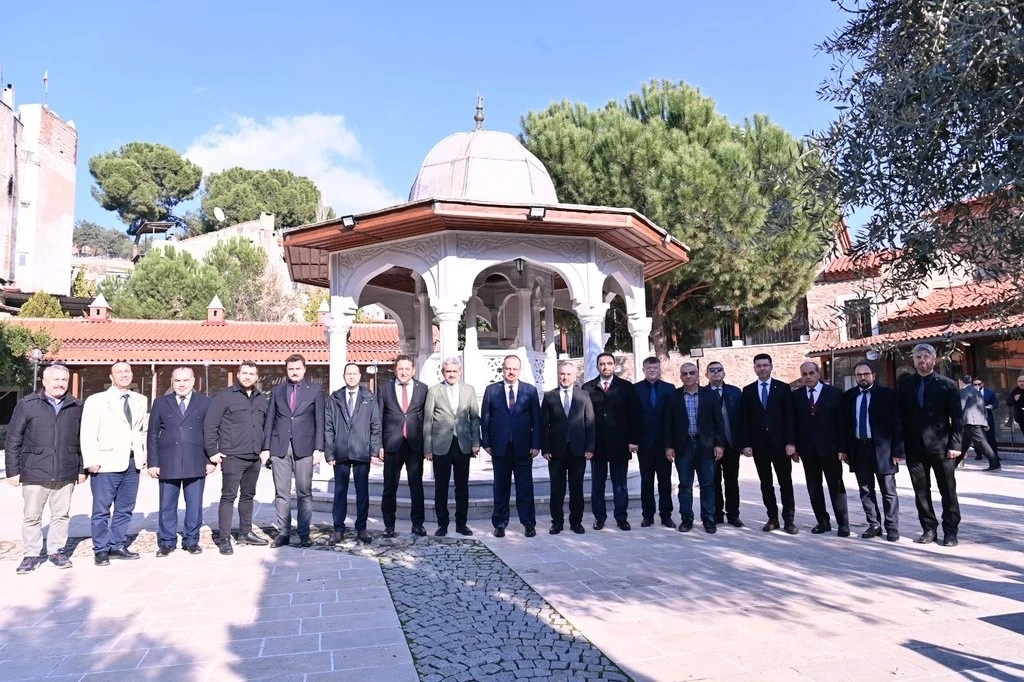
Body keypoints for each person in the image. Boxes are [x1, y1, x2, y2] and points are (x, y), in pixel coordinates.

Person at [5, 364, 84, 574]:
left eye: (64, 380)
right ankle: (31, 554)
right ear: (45, 381)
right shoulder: (28, 404)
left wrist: (81, 468)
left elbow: (82, 440)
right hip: (35, 470)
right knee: (32, 516)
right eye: (55, 379)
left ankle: (57, 551)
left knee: (61, 515)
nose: (60, 384)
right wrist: (12, 471)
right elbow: (13, 438)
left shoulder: (76, 405)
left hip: (65, 470)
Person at [81, 361, 148, 566]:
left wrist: (143, 456)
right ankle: (101, 549)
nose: (123, 375)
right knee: (101, 509)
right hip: (105, 463)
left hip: (132, 462)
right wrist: (91, 460)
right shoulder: (96, 400)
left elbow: (141, 431)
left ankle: (117, 544)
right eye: (118, 372)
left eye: (127, 371)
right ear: (111, 377)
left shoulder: (141, 399)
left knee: (125, 508)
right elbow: (88, 431)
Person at [897, 343, 963, 547]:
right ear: (913, 360)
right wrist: (899, 448)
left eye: (926, 356)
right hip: (914, 447)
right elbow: (900, 418)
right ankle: (929, 528)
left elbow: (957, 418)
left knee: (948, 490)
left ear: (934, 360)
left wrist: (956, 445)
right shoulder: (905, 385)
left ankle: (950, 531)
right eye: (918, 357)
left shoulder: (947, 385)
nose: (921, 360)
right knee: (921, 491)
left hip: (941, 447)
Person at [204, 361, 270, 556]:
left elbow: (266, 427)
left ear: (257, 377)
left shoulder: (261, 399)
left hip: (254, 456)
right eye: (244, 373)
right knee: (228, 496)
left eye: (252, 373)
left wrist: (265, 449)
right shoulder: (224, 397)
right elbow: (210, 426)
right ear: (238, 375)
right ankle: (224, 538)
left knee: (248, 495)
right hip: (232, 455)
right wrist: (212, 452)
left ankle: (245, 532)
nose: (248, 376)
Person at [148, 367, 214, 556]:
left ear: (194, 381)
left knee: (194, 504)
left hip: (196, 460)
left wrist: (210, 459)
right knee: (167, 504)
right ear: (172, 382)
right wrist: (153, 462)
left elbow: (210, 433)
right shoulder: (161, 403)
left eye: (186, 380)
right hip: (168, 461)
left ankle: (191, 540)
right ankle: (167, 541)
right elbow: (152, 434)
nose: (182, 384)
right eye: (178, 381)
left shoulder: (205, 403)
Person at [261, 354, 324, 548]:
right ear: (286, 370)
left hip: (305, 448)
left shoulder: (315, 390)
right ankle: (284, 532)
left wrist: (318, 449)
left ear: (304, 369)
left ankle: (304, 534)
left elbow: (320, 421)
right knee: (282, 493)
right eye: (291, 369)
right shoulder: (277, 390)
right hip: (280, 447)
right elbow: (269, 420)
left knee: (304, 492)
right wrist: (266, 448)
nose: (294, 372)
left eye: (298, 368)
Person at [481, 354, 541, 538]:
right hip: (500, 448)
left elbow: (537, 420)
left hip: (523, 448)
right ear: (503, 369)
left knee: (525, 488)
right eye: (508, 368)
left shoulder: (530, 391)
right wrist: (487, 443)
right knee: (501, 488)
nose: (511, 372)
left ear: (519, 370)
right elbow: (485, 419)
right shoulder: (491, 390)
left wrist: (536, 444)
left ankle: (529, 524)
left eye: (514, 368)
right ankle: (499, 524)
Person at [843, 363, 904, 542]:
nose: (862, 377)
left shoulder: (888, 395)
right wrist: (845, 450)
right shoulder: (849, 397)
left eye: (866, 374)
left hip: (883, 449)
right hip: (859, 448)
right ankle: (874, 524)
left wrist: (898, 450)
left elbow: (898, 424)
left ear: (873, 375)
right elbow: (845, 425)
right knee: (865, 490)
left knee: (888, 490)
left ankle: (892, 527)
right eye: (859, 374)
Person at [740, 353, 798, 534]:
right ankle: (772, 518)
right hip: (759, 445)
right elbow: (745, 420)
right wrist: (746, 444)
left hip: (780, 444)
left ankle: (789, 520)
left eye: (765, 365)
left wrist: (791, 442)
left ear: (771, 366)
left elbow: (790, 417)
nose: (762, 368)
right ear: (754, 368)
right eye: (759, 365)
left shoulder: (783, 388)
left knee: (785, 482)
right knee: (765, 483)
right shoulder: (747, 390)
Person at [664, 363, 725, 533]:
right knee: (685, 485)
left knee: (707, 484)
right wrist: (668, 446)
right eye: (685, 373)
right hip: (683, 446)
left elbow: (718, 422)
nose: (689, 376)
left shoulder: (710, 395)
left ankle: (708, 519)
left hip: (705, 445)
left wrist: (719, 444)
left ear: (698, 374)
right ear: (681, 376)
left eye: (692, 373)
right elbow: (667, 424)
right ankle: (686, 518)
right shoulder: (673, 396)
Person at [582, 353, 641, 530]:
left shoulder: (626, 387)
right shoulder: (588, 388)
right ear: (597, 366)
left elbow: (634, 416)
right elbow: (583, 418)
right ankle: (599, 517)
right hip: (597, 445)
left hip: (620, 443)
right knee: (597, 484)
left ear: (614, 365)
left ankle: (621, 517)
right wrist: (587, 445)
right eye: (602, 364)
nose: (605, 367)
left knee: (620, 484)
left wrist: (633, 440)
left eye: (609, 363)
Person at [792, 362, 851, 537]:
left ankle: (843, 523)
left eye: (811, 373)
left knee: (836, 487)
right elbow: (794, 424)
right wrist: (794, 447)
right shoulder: (796, 396)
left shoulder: (834, 393)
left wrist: (843, 448)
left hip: (831, 449)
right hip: (808, 450)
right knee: (814, 487)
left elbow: (842, 423)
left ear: (818, 374)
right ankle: (822, 522)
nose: (808, 377)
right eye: (804, 374)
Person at [423, 357, 480, 537]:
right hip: (441, 444)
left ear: (460, 371)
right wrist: (427, 448)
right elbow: (427, 420)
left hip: (462, 444)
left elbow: (475, 418)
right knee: (441, 487)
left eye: (455, 371)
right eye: (448, 371)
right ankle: (443, 524)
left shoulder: (468, 390)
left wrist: (476, 443)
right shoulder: (434, 391)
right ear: (443, 372)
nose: (452, 374)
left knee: (462, 487)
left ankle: (461, 524)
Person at [325, 363, 381, 544]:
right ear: (344, 375)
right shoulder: (334, 398)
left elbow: (375, 426)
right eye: (348, 373)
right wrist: (330, 452)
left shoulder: (369, 398)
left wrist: (374, 451)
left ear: (360, 375)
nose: (351, 377)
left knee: (362, 492)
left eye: (354, 373)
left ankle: (361, 528)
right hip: (341, 451)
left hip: (361, 451)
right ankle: (338, 528)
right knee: (340, 492)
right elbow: (328, 427)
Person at [541, 361, 595, 535]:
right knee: (557, 489)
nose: (565, 377)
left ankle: (576, 522)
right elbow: (544, 425)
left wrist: (590, 447)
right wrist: (546, 448)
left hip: (578, 450)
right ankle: (556, 522)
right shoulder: (549, 396)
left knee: (576, 488)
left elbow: (590, 423)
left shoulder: (584, 396)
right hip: (556, 452)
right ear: (558, 375)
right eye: (562, 374)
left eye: (568, 374)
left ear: (575, 376)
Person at [378, 354, 428, 538]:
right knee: (389, 487)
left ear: (413, 370)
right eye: (400, 369)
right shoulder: (384, 388)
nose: (404, 372)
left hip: (415, 445)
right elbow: (378, 418)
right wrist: (379, 445)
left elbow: (426, 418)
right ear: (395, 369)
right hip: (392, 445)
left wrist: (427, 445)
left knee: (417, 486)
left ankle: (418, 524)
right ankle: (389, 525)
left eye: (407, 369)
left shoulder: (423, 389)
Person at [634, 356, 676, 528]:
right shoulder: (635, 389)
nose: (652, 370)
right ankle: (648, 515)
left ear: (659, 369)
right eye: (649, 368)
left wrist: (671, 444)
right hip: (644, 444)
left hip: (664, 444)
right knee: (646, 481)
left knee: (665, 481)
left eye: (655, 368)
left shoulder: (669, 389)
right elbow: (633, 417)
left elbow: (673, 418)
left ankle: (666, 515)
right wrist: (633, 440)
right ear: (643, 370)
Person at [706, 361, 745, 528]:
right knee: (713, 481)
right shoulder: (702, 393)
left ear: (724, 373)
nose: (716, 373)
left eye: (719, 370)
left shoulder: (735, 392)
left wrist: (745, 443)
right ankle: (716, 514)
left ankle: (733, 514)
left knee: (731, 481)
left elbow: (743, 419)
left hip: (731, 444)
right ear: (707, 374)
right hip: (710, 446)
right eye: (712, 370)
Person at [958, 375, 1000, 471]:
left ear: (961, 381)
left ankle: (995, 463)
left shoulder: (964, 391)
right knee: (964, 443)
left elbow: (960, 405)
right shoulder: (976, 392)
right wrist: (985, 422)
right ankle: (955, 462)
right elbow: (983, 408)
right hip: (975, 420)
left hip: (970, 421)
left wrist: (953, 417)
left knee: (981, 442)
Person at [972, 377, 1000, 463]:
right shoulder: (971, 393)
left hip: (987, 416)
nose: (977, 386)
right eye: (975, 384)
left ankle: (995, 455)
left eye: (979, 384)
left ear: (982, 384)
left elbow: (995, 403)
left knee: (991, 437)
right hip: (975, 417)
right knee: (977, 437)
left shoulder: (989, 392)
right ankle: (979, 454)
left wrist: (992, 406)